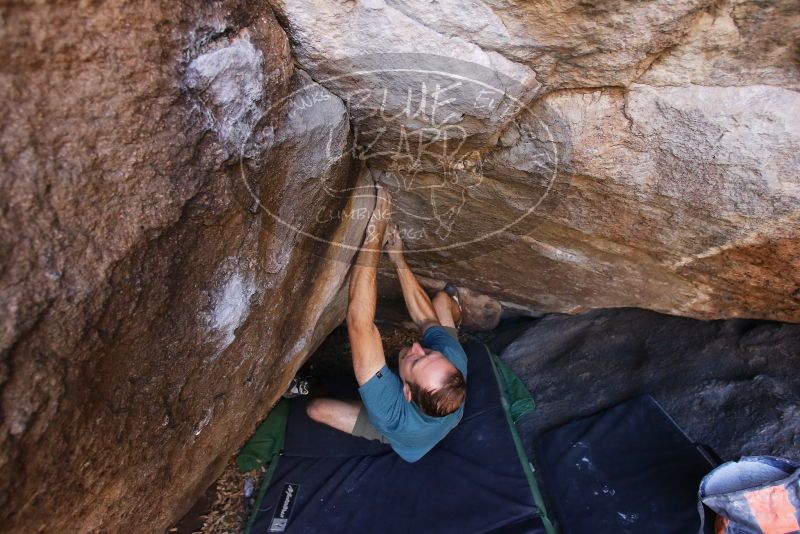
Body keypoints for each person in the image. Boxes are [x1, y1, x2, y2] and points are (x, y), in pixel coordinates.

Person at [305, 185, 468, 462]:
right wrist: (397, 259)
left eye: (416, 361)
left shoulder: (390, 411)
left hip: (406, 442)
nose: (417, 346)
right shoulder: (452, 359)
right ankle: (458, 314)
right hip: (437, 415)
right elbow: (426, 318)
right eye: (430, 352)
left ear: (405, 391)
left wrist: (375, 228)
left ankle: (309, 384)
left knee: (316, 409)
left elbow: (360, 323)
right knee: (440, 303)